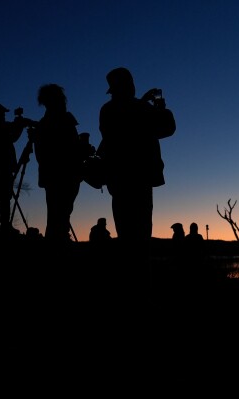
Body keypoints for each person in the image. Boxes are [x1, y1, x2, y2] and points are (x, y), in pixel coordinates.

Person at [98, 67, 176, 276]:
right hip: (140, 181)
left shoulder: (107, 110)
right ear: (130, 85)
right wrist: (159, 108)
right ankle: (141, 292)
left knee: (125, 236)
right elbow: (167, 127)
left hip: (117, 181)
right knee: (141, 239)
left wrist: (142, 103)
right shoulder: (139, 109)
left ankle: (128, 286)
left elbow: (123, 125)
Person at [33, 83, 83, 242]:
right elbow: (63, 150)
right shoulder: (55, 121)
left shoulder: (47, 122)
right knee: (58, 215)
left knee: (60, 214)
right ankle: (58, 246)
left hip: (60, 175)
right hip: (62, 175)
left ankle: (58, 242)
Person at [0, 103, 26, 233]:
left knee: (2, 196)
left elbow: (10, 132)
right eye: (2, 114)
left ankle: (1, 224)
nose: (4, 116)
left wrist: (18, 122)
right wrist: (19, 124)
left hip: (1, 165)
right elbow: (12, 136)